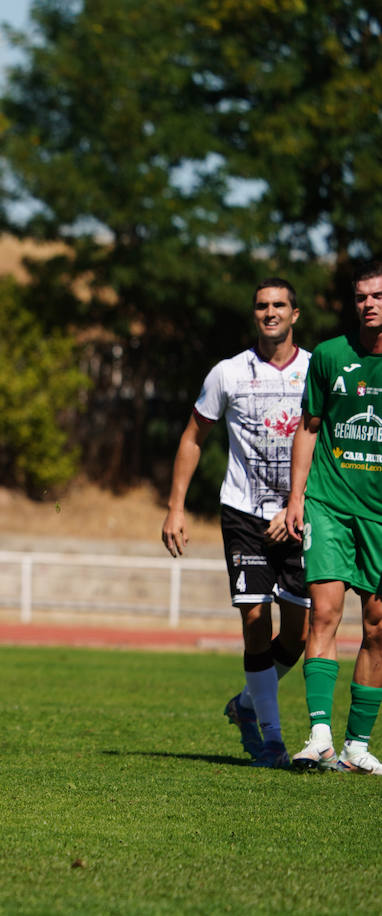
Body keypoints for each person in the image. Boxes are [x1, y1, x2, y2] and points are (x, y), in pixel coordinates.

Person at [160, 278, 310, 768]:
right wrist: (176, 506)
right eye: (263, 306)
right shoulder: (227, 373)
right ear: (255, 315)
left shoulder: (315, 370)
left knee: (300, 634)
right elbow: (192, 437)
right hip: (243, 512)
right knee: (253, 616)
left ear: (295, 314)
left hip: (299, 514)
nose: (271, 313)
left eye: (279, 306)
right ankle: (272, 739)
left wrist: (299, 504)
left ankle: (246, 704)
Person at [286, 260, 382, 774]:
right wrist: (296, 496)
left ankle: (356, 747)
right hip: (329, 503)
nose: (369, 303)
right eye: (362, 296)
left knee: (378, 627)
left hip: (380, 518)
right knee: (323, 612)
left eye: (378, 295)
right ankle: (319, 736)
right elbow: (309, 426)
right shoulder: (328, 356)